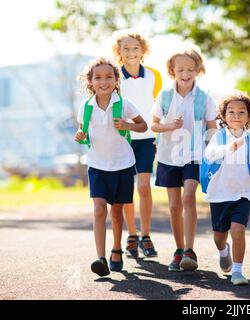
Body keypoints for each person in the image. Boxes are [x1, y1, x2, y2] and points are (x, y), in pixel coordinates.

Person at [74, 57, 148, 277]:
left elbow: (143, 126)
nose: (103, 81)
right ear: (90, 81)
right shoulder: (85, 106)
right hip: (97, 165)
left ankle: (117, 249)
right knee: (99, 210)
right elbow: (82, 131)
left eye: (108, 77)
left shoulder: (124, 104)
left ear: (116, 80)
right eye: (98, 77)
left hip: (123, 164)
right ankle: (101, 258)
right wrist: (80, 135)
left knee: (116, 211)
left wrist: (126, 125)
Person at [151, 46, 217, 272]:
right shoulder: (165, 95)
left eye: (190, 69)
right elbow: (154, 124)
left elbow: (212, 127)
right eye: (181, 69)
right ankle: (179, 251)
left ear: (198, 70)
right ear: (172, 71)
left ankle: (190, 250)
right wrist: (170, 126)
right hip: (168, 156)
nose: (186, 73)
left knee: (189, 197)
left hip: (195, 156)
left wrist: (212, 151)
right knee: (173, 205)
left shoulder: (205, 97)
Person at [202, 92, 250, 285]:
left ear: (249, 117)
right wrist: (228, 148)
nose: (236, 115)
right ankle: (223, 251)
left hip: (242, 194)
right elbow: (209, 154)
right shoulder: (219, 136)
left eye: (241, 112)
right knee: (219, 237)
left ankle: (238, 271)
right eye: (231, 111)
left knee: (238, 231)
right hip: (219, 194)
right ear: (224, 116)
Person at [112, 29, 162, 259]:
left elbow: (159, 106)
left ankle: (146, 235)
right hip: (123, 139)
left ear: (143, 51)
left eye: (136, 48)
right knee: (126, 190)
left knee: (144, 187)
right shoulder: (114, 77)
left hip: (147, 138)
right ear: (118, 52)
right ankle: (131, 235)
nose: (131, 52)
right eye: (126, 48)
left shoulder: (154, 75)